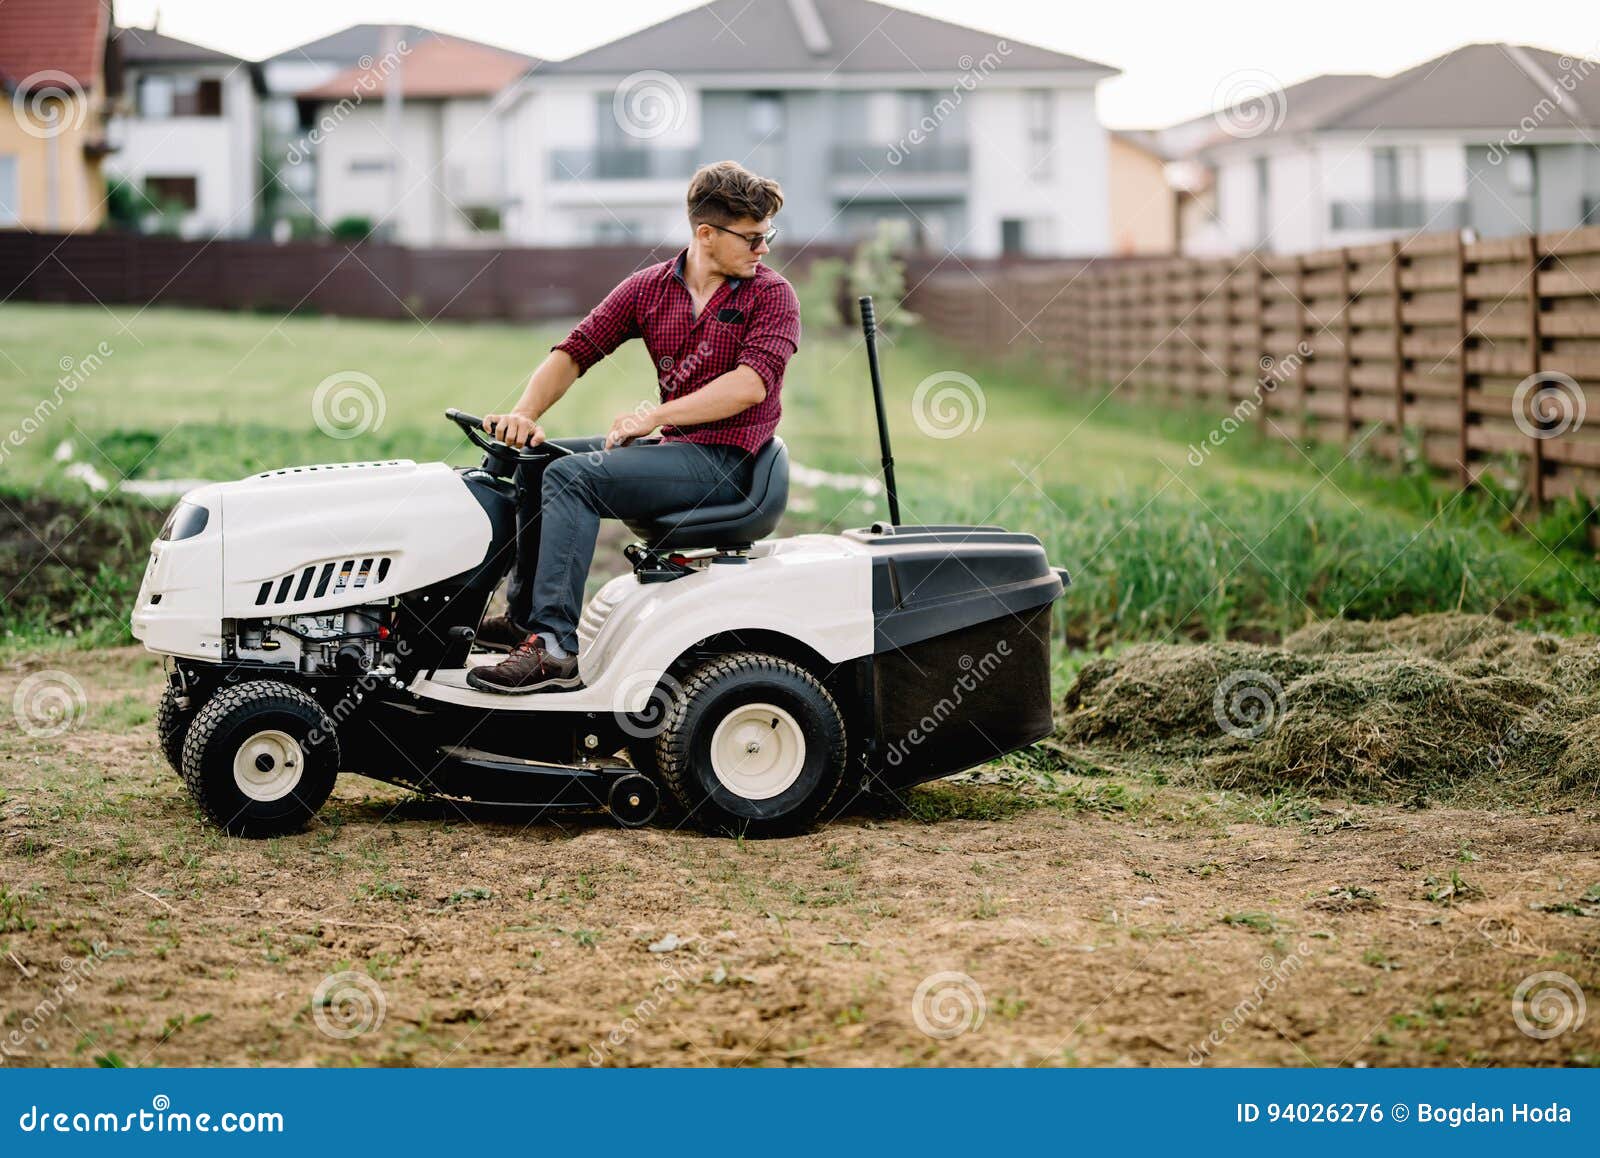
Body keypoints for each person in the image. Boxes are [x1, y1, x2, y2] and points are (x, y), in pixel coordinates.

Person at [466, 160, 800, 694]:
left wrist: (655, 416)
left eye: (768, 236)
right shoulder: (648, 289)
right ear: (705, 234)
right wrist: (526, 413)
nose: (765, 249)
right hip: (675, 453)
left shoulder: (771, 294)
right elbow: (575, 351)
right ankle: (525, 622)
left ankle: (553, 649)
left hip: (727, 465)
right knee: (539, 461)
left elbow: (749, 385)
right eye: (754, 238)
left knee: (573, 478)